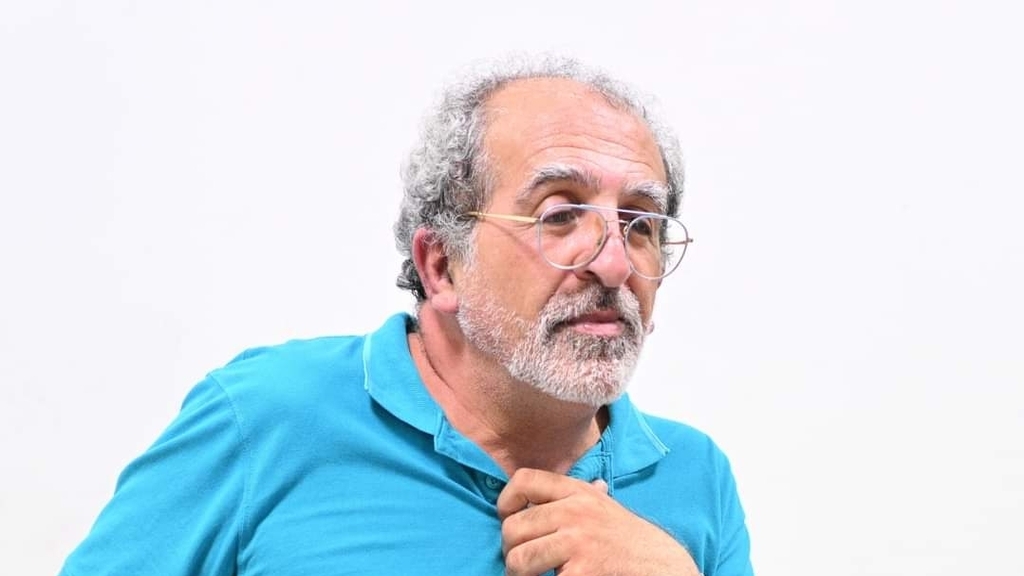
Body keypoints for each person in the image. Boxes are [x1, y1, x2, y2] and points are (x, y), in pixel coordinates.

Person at [59, 55, 753, 576]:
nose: (615, 263)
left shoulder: (696, 477)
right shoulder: (266, 418)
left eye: (640, 223)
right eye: (559, 214)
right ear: (442, 265)